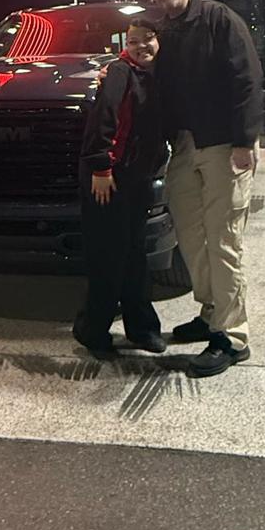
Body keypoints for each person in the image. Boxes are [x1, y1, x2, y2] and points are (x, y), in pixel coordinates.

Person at [148, 0, 263, 377]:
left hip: (224, 145)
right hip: (183, 146)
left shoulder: (219, 19)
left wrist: (244, 141)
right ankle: (212, 310)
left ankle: (231, 337)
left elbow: (247, 78)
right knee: (193, 238)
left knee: (223, 239)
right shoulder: (164, 31)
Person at [72, 21, 168, 359]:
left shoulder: (156, 76)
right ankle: (93, 331)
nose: (141, 46)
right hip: (108, 177)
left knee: (134, 253)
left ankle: (142, 329)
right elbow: (104, 117)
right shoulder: (119, 71)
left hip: (136, 178)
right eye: (133, 41)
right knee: (108, 256)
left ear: (159, 41)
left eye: (147, 39)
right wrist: (100, 166)